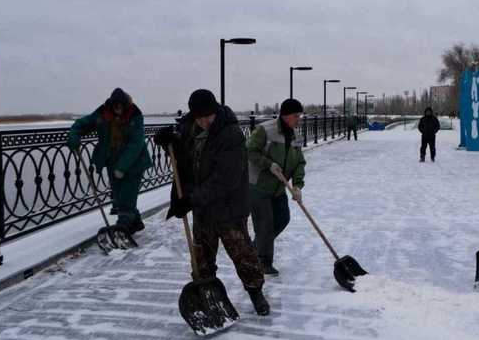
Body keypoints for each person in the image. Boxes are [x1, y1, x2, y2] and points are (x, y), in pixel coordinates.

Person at [154, 89, 269, 315]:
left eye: (208, 116)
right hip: (202, 207)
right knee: (202, 257)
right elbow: (185, 159)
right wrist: (168, 142)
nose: (204, 121)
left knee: (242, 254)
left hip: (229, 207)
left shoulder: (232, 134)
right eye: (199, 117)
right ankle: (207, 295)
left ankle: (256, 293)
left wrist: (190, 199)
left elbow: (226, 179)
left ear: (216, 110)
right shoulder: (189, 127)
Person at [67, 88, 152, 233]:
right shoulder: (103, 113)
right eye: (115, 106)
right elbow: (83, 123)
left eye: (121, 106)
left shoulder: (135, 114)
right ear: (111, 105)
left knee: (126, 197)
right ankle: (136, 223)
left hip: (134, 161)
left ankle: (122, 229)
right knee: (119, 197)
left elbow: (136, 144)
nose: (118, 110)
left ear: (125, 105)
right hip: (112, 160)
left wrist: (122, 167)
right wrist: (74, 135)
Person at [246, 98, 306, 276]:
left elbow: (299, 162)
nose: (299, 119)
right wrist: (268, 164)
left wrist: (297, 186)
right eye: (296, 116)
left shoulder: (295, 135)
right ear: (285, 116)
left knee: (282, 218)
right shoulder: (266, 130)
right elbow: (249, 150)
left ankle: (255, 248)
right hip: (258, 185)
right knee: (265, 224)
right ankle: (263, 262)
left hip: (279, 187)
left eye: (299, 116)